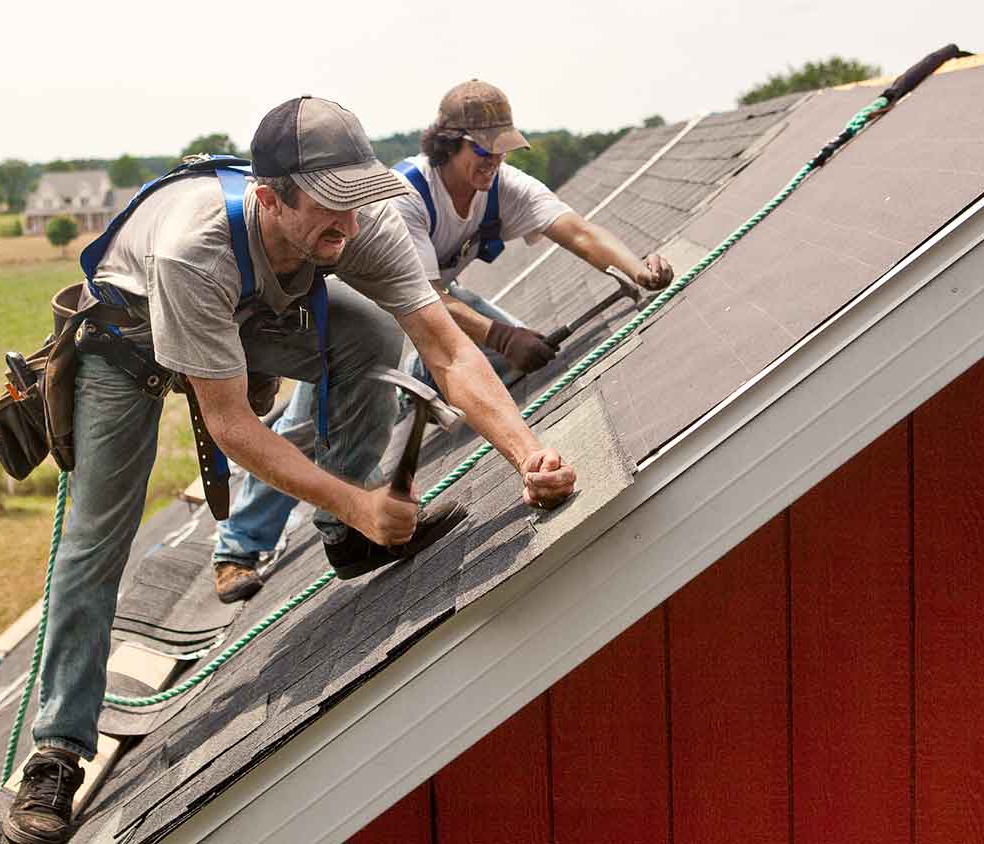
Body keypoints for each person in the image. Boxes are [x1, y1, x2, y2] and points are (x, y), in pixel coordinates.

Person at [3, 96, 577, 844]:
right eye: (330, 211)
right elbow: (232, 425)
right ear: (270, 199)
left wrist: (526, 453)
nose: (348, 227)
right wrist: (369, 498)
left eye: (356, 206)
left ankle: (346, 535)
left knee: (370, 333)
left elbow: (447, 348)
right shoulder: (194, 248)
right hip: (129, 336)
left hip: (242, 307)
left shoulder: (351, 224)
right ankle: (58, 750)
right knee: (96, 538)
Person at [211, 80, 671, 596]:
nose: (495, 158)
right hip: (359, 316)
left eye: (504, 148)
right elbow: (433, 305)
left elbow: (577, 232)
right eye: (484, 148)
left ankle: (405, 390)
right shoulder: (405, 196)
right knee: (307, 424)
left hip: (428, 309)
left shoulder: (503, 188)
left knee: (499, 366)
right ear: (448, 144)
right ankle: (239, 546)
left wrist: (638, 270)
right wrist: (500, 333)